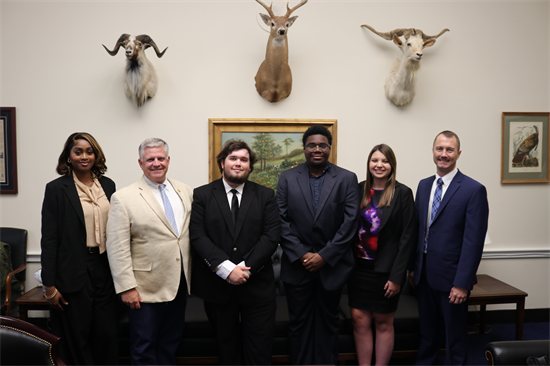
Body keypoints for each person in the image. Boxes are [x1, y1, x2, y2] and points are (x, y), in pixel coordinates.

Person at [190, 139, 280, 366]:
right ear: (222, 163)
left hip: (258, 287)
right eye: (233, 158)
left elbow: (271, 237)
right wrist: (228, 270)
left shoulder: (266, 196)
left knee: (259, 352)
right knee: (226, 350)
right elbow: (198, 236)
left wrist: (244, 269)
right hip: (218, 288)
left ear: (250, 166)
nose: (238, 163)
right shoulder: (202, 195)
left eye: (244, 159)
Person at [276, 124, 360, 365]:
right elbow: (280, 220)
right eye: (311, 145)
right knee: (298, 324)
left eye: (322, 145)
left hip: (332, 267)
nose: (317, 149)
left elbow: (350, 222)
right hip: (297, 266)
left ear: (329, 148)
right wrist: (303, 254)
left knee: (328, 323)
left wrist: (324, 256)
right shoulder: (288, 178)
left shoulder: (346, 179)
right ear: (304, 149)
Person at [106, 138, 193, 366]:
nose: (156, 163)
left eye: (160, 158)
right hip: (144, 289)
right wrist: (126, 287)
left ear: (168, 160)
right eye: (150, 159)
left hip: (179, 284)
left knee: (170, 344)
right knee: (143, 347)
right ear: (140, 163)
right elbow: (117, 247)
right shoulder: (124, 198)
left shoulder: (185, 191)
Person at [409, 131, 489, 366]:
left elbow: (473, 241)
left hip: (452, 278)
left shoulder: (473, 190)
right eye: (439, 149)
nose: (444, 154)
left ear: (458, 153)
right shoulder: (424, 186)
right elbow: (418, 230)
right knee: (427, 333)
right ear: (433, 151)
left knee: (454, 337)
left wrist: (462, 284)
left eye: (449, 150)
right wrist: (413, 269)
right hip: (423, 275)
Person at [40, 132, 119, 366]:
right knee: (78, 334)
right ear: (68, 156)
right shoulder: (56, 189)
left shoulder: (108, 184)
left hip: (105, 268)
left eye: (89, 151)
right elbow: (50, 239)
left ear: (96, 155)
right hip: (73, 270)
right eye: (78, 151)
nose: (84, 156)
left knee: (106, 333)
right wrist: (50, 285)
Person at [348, 144, 416, 366]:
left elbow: (407, 238)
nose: (379, 165)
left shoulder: (402, 193)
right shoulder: (357, 190)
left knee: (383, 323)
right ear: (369, 164)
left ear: (391, 165)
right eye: (375, 160)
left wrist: (397, 277)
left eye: (385, 161)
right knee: (359, 321)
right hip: (358, 269)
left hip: (387, 272)